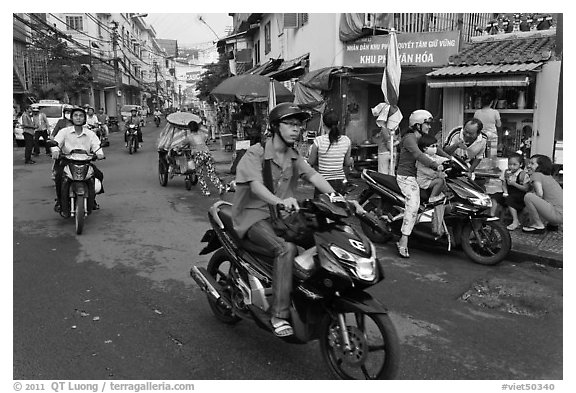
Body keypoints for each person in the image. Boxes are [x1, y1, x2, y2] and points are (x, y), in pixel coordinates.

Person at [232, 103, 335, 337]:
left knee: (322, 239)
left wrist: (338, 198)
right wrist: (279, 202)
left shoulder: (294, 156)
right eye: (290, 124)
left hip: (283, 217)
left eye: (299, 125)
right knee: (285, 249)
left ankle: (309, 298)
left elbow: (314, 175)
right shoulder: (255, 153)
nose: (296, 129)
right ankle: (279, 315)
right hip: (253, 217)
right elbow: (257, 188)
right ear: (275, 127)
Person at [395, 109, 451, 258]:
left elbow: (437, 149)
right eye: (427, 124)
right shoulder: (409, 138)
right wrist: (435, 165)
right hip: (407, 177)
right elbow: (418, 155)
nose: (429, 127)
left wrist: (452, 159)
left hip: (421, 175)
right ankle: (403, 240)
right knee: (413, 205)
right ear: (417, 124)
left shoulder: (422, 137)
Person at [52, 107, 105, 212]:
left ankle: (92, 199)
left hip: (86, 162)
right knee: (58, 177)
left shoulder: (90, 134)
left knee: (99, 175)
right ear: (72, 118)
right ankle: (60, 201)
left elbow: (97, 146)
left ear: (84, 119)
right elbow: (56, 143)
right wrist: (55, 151)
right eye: (75, 115)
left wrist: (99, 154)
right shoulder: (64, 132)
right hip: (68, 161)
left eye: (81, 116)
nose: (78, 118)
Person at [308, 110, 353, 196]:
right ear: (338, 123)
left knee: (322, 208)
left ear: (323, 124)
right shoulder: (346, 140)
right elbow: (347, 163)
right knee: (340, 208)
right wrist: (351, 160)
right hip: (340, 183)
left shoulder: (318, 141)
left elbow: (311, 162)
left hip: (323, 182)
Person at [522, 154, 563, 234]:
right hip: (561, 215)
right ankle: (553, 225)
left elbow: (539, 194)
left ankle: (538, 225)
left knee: (529, 196)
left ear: (540, 166)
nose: (528, 165)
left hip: (557, 215)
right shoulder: (548, 177)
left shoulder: (536, 175)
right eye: (529, 163)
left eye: (532, 163)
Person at [489, 153, 529, 230]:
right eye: (510, 164)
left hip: (519, 196)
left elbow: (525, 188)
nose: (511, 166)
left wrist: (514, 184)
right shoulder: (506, 172)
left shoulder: (523, 174)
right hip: (509, 193)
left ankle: (515, 221)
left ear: (520, 164)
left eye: (514, 164)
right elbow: (503, 183)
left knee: (510, 200)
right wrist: (505, 191)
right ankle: (492, 216)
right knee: (495, 197)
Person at [186, 119, 226, 196]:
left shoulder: (189, 137)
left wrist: (177, 148)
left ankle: (206, 191)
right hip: (207, 154)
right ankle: (220, 186)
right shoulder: (202, 135)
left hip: (198, 155)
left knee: (200, 174)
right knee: (211, 173)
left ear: (190, 129)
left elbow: (182, 145)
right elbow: (205, 140)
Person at [474, 93, 501, 158]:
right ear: (491, 102)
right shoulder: (495, 112)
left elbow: (474, 125)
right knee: (492, 155)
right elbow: (499, 125)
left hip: (481, 135)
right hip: (492, 136)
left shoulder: (477, 112)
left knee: (480, 154)